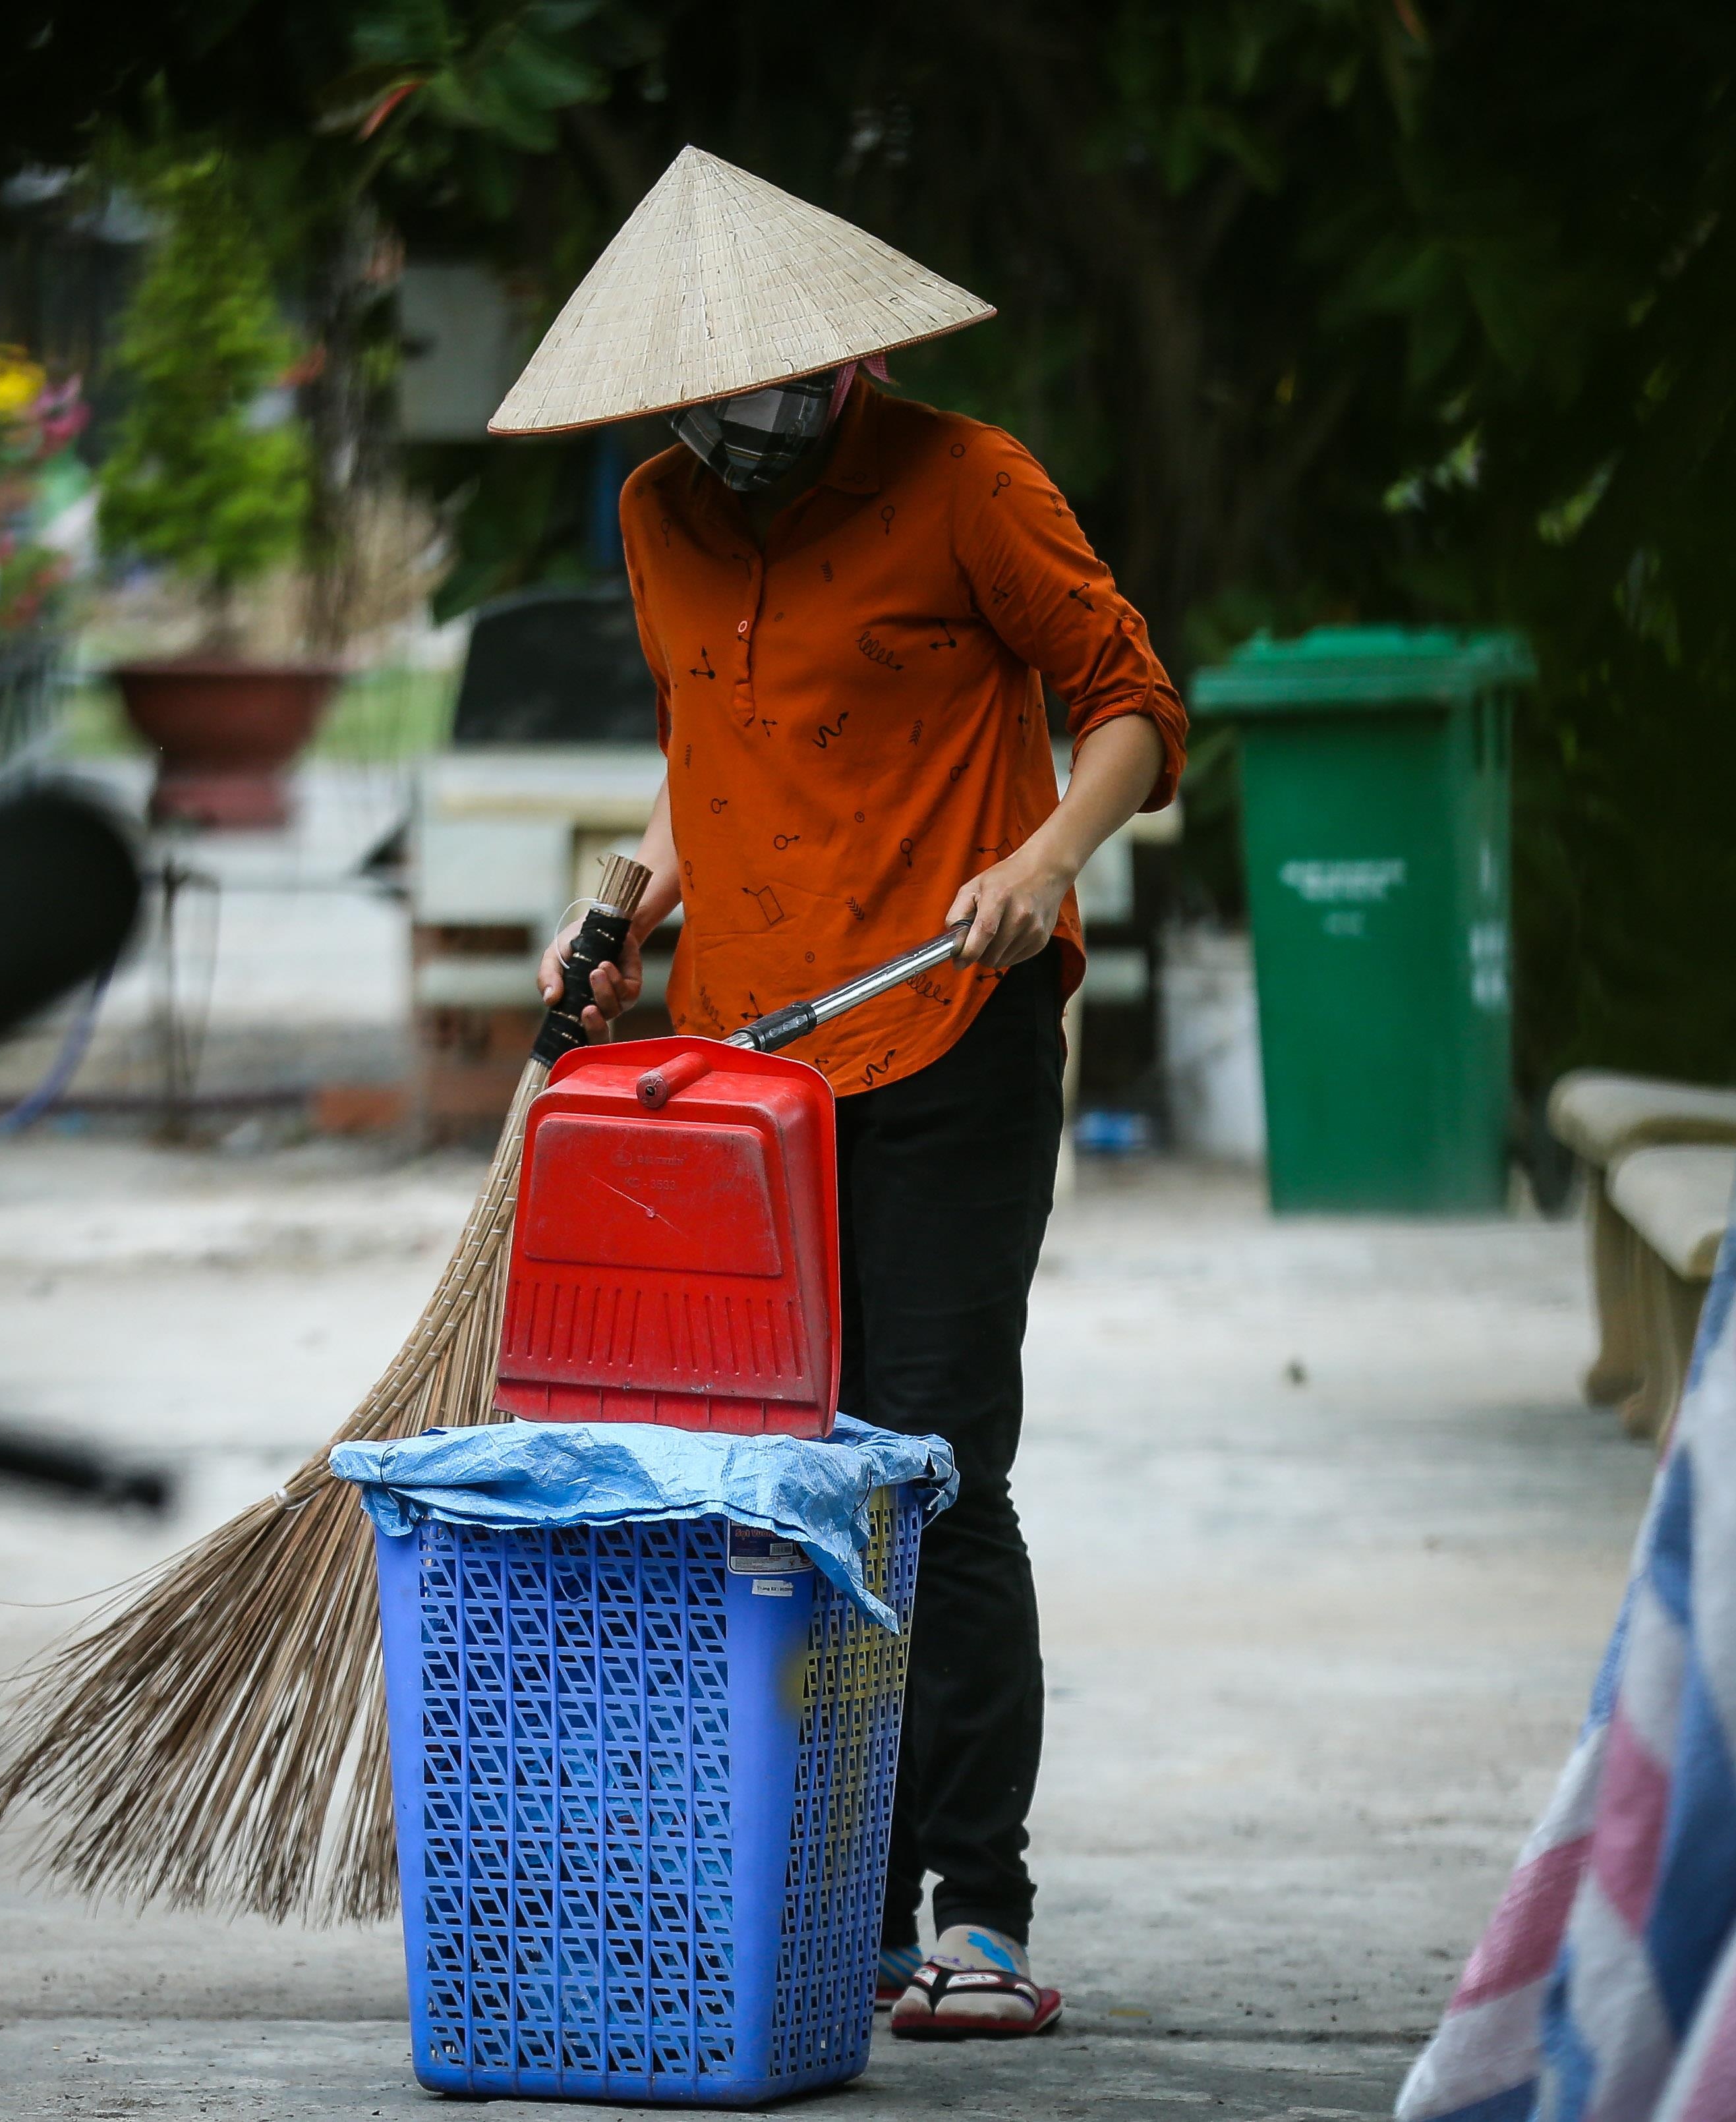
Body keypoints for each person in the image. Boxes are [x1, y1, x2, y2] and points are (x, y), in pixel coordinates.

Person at [506, 146, 1185, 2041]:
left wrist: (1049, 853)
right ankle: (839, 1901)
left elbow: (1133, 703)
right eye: (704, 400)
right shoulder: (658, 514)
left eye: (773, 388)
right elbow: (705, 754)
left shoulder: (973, 486)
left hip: (952, 1039)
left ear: (850, 361)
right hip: (748, 1077)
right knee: (786, 1476)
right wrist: (621, 904)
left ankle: (982, 1908)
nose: (744, 426)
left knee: (936, 1463)